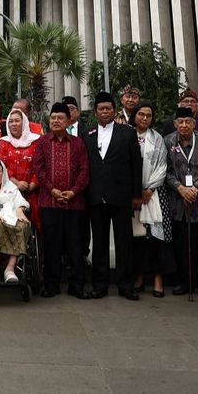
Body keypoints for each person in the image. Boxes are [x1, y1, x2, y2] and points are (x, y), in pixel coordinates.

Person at [85, 92, 143, 299]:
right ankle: (99, 285)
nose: (105, 112)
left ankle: (125, 284)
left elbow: (136, 165)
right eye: (101, 109)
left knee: (124, 241)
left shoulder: (127, 133)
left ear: (114, 110)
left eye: (108, 108)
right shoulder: (87, 134)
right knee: (99, 242)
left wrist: (136, 194)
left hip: (121, 196)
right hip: (96, 197)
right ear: (95, 112)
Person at [162, 107, 198, 299]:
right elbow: (166, 170)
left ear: (194, 123)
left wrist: (196, 187)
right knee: (181, 245)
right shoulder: (168, 141)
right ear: (175, 123)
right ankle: (186, 282)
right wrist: (180, 188)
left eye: (188, 121)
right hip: (178, 202)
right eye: (180, 122)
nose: (184, 125)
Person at [33, 102, 90, 298]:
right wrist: (53, 190)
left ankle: (77, 285)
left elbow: (84, 170)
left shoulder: (78, 143)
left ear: (68, 121)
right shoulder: (42, 142)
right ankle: (51, 285)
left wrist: (73, 192)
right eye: (53, 118)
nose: (56, 121)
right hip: (49, 203)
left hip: (75, 203)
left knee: (75, 245)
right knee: (52, 245)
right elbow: (38, 170)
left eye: (60, 118)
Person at [131, 102, 171, 297]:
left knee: (156, 238)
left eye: (148, 115)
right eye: (141, 114)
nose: (145, 118)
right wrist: (136, 191)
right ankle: (138, 276)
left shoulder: (158, 139)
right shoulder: (127, 135)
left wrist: (149, 188)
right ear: (134, 116)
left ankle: (157, 277)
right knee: (137, 237)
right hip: (133, 196)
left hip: (154, 195)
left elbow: (163, 165)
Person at [0, 108, 40, 223]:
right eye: (11, 121)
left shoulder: (36, 141)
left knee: (36, 224)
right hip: (9, 191)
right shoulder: (3, 142)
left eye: (17, 121)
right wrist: (17, 183)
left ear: (24, 122)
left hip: (34, 190)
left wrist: (33, 183)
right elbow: (0, 167)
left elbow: (41, 165)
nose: (13, 124)